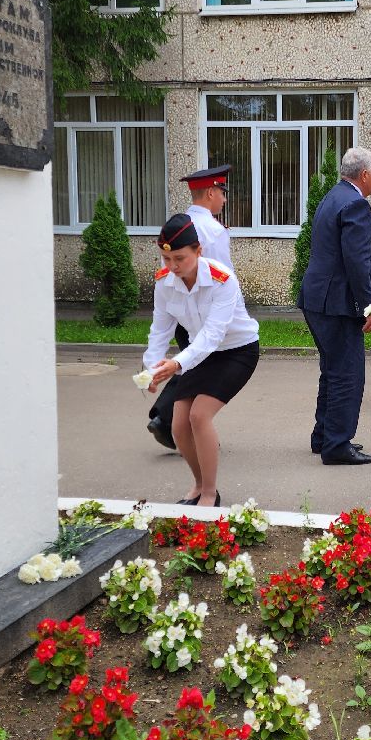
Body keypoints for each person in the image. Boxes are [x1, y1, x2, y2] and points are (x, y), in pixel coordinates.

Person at [142, 213, 261, 507]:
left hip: (237, 351)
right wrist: (152, 368)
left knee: (199, 415)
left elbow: (213, 335)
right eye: (166, 260)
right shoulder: (164, 282)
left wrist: (177, 364)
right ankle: (198, 485)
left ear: (199, 250)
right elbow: (160, 329)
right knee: (178, 425)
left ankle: (210, 494)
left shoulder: (223, 281)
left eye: (179, 258)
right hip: (199, 353)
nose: (172, 267)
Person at [297, 147, 371, 465]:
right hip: (338, 303)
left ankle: (324, 437)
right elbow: (357, 261)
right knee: (347, 374)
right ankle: (336, 445)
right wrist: (369, 306)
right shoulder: (356, 203)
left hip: (319, 299)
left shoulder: (334, 195)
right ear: (364, 175)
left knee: (332, 371)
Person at [146, 164, 235, 451]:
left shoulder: (176, 225)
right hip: (208, 314)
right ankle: (169, 420)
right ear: (211, 192)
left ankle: (178, 423)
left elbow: (168, 273)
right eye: (222, 193)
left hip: (181, 310)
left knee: (192, 366)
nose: (224, 200)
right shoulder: (213, 230)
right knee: (200, 369)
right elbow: (225, 275)